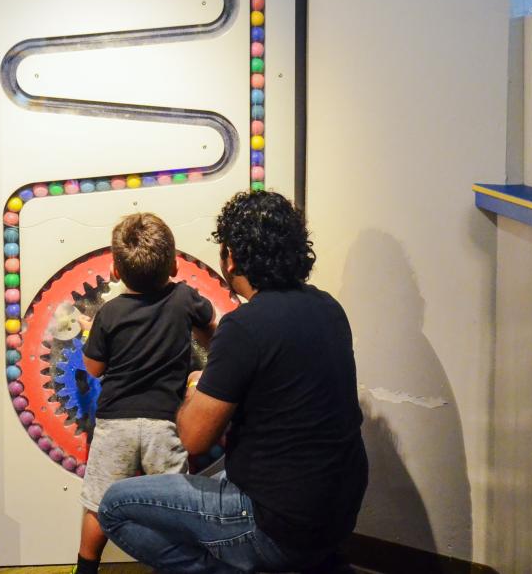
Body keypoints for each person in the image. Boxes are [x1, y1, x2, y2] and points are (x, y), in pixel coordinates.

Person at [97, 191, 368, 573]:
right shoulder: (328, 307)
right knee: (210, 476)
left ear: (232, 257)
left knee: (114, 505)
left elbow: (193, 438)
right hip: (337, 513)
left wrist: (197, 382)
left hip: (276, 524)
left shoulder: (244, 327)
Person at [74, 213, 216, 574]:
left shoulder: (109, 312)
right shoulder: (184, 298)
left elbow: (94, 368)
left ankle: (86, 568)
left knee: (98, 502)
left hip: (115, 423)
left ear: (116, 271)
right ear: (172, 265)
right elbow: (210, 327)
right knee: (173, 504)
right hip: (164, 424)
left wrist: (91, 333)